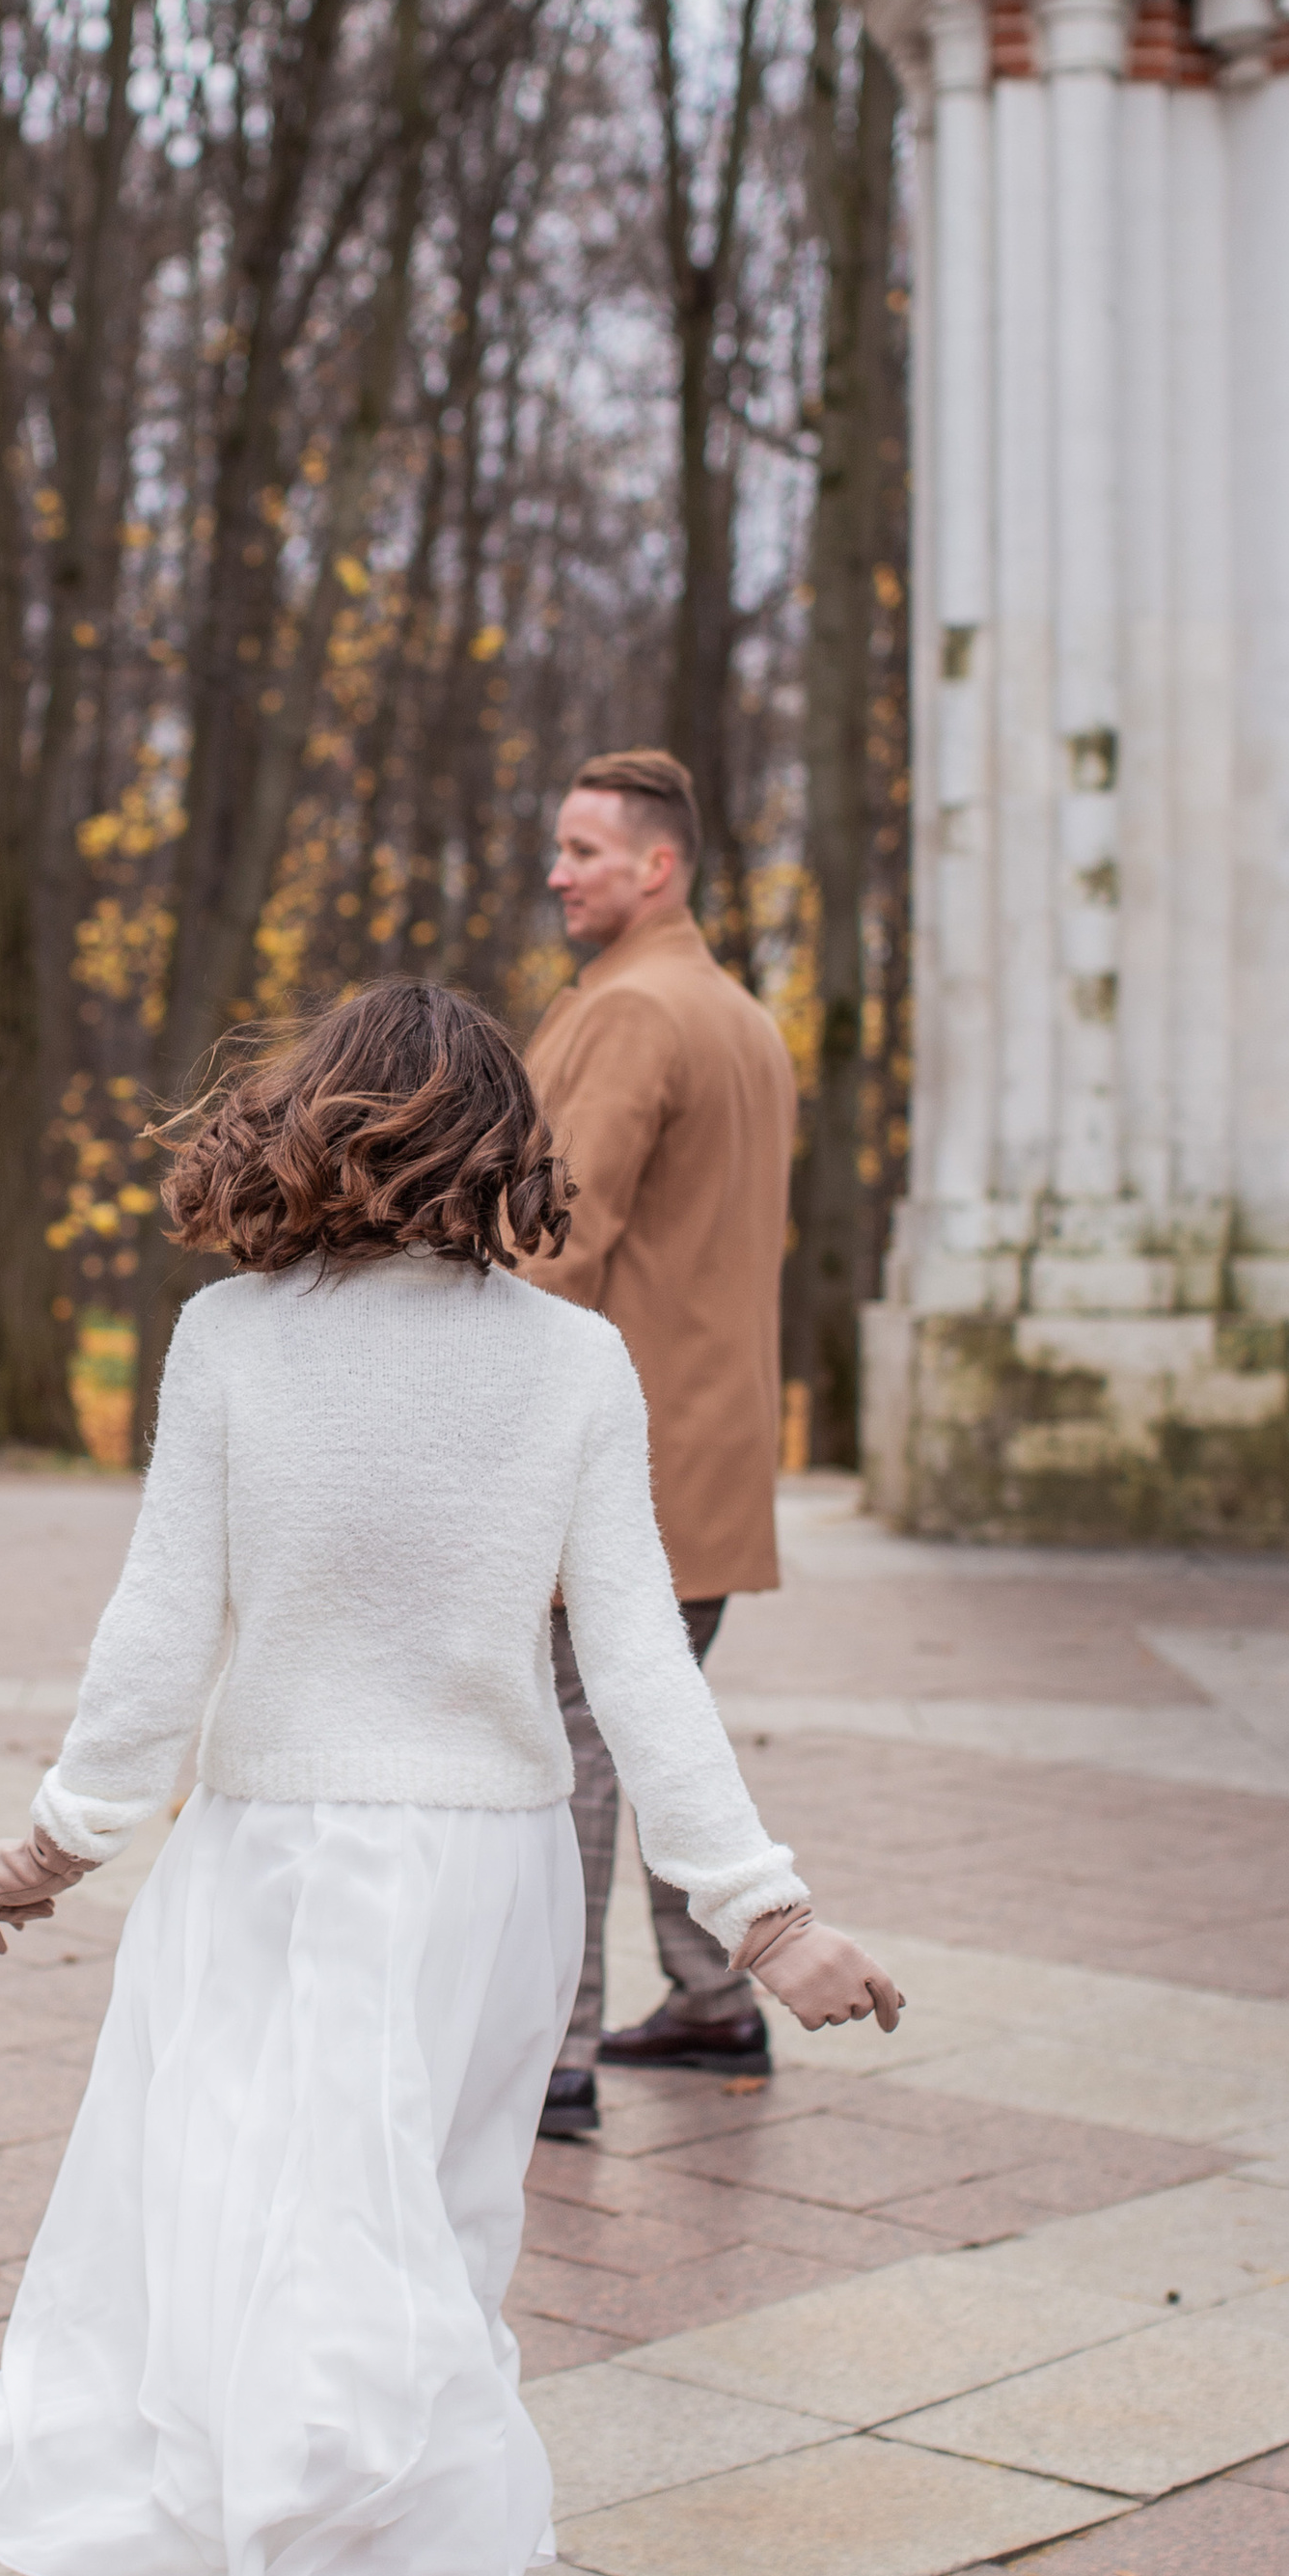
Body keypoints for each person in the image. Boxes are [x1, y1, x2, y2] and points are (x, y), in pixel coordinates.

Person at [0, 982, 898, 2576]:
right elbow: (636, 1671)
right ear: (504, 1147)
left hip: (273, 1854)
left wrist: (57, 1842)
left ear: (309, 1127)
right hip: (494, 1875)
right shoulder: (569, 1367)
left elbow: (154, 1627)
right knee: (429, 2252)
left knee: (277, 2238)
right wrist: (762, 1916)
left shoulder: (227, 1342)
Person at [519, 749, 799, 2138]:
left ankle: (552, 2053)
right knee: (647, 1728)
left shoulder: (633, 1015)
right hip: (705, 1460)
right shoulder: (736, 1013)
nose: (559, 873)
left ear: (657, 867)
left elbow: (549, 1247)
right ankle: (708, 1995)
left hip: (620, 1475)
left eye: (581, 849)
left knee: (570, 1750)